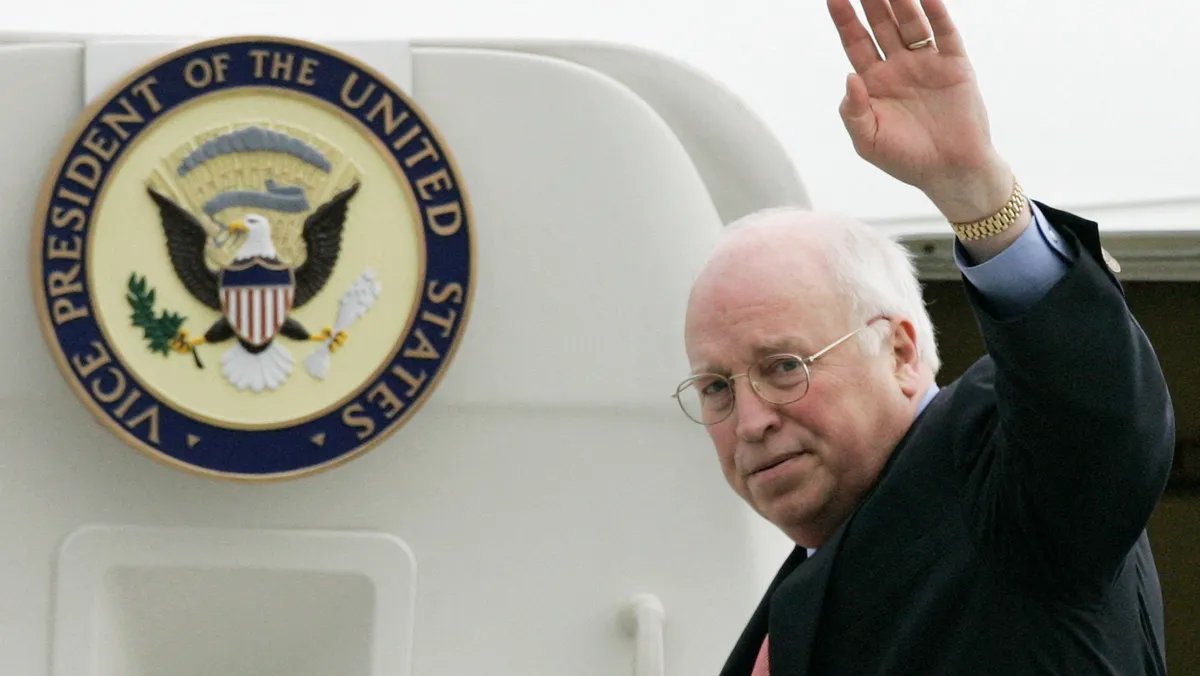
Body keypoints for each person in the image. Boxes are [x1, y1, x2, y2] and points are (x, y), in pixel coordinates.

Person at [676, 0, 1175, 673]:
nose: (752, 420)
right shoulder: (799, 592)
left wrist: (974, 190)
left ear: (902, 352)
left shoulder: (1005, 485)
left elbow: (1096, 411)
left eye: (784, 366)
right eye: (716, 388)